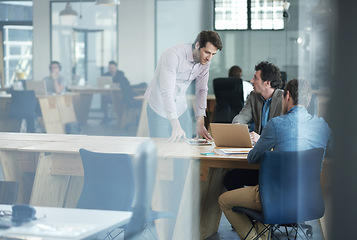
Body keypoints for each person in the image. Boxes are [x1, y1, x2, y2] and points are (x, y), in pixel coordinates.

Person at [218, 79, 332, 240]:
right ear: (308, 100)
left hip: (275, 195)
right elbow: (331, 150)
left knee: (224, 200)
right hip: (308, 198)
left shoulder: (277, 124)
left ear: (287, 96)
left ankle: (254, 239)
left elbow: (252, 158)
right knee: (263, 188)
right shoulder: (322, 126)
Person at [144, 30, 223, 141]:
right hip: (159, 105)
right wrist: (175, 126)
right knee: (161, 150)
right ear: (197, 45)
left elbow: (201, 90)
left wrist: (200, 123)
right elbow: (167, 92)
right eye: (207, 52)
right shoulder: (173, 55)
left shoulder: (205, 61)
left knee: (186, 147)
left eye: (213, 54)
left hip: (180, 105)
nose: (209, 58)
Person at [224, 61, 284, 191]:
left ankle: (257, 206)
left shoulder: (284, 100)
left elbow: (284, 136)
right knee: (230, 178)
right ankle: (246, 209)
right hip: (256, 157)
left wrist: (262, 140)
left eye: (256, 78)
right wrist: (238, 126)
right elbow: (242, 115)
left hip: (275, 163)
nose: (251, 81)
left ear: (267, 83)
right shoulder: (253, 96)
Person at [101, 60, 134, 124]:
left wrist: (116, 84)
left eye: (113, 68)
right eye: (110, 68)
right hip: (110, 95)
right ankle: (106, 117)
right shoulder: (106, 75)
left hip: (120, 95)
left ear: (116, 68)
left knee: (119, 100)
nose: (111, 69)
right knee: (104, 98)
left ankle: (121, 119)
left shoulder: (120, 74)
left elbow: (123, 84)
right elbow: (103, 85)